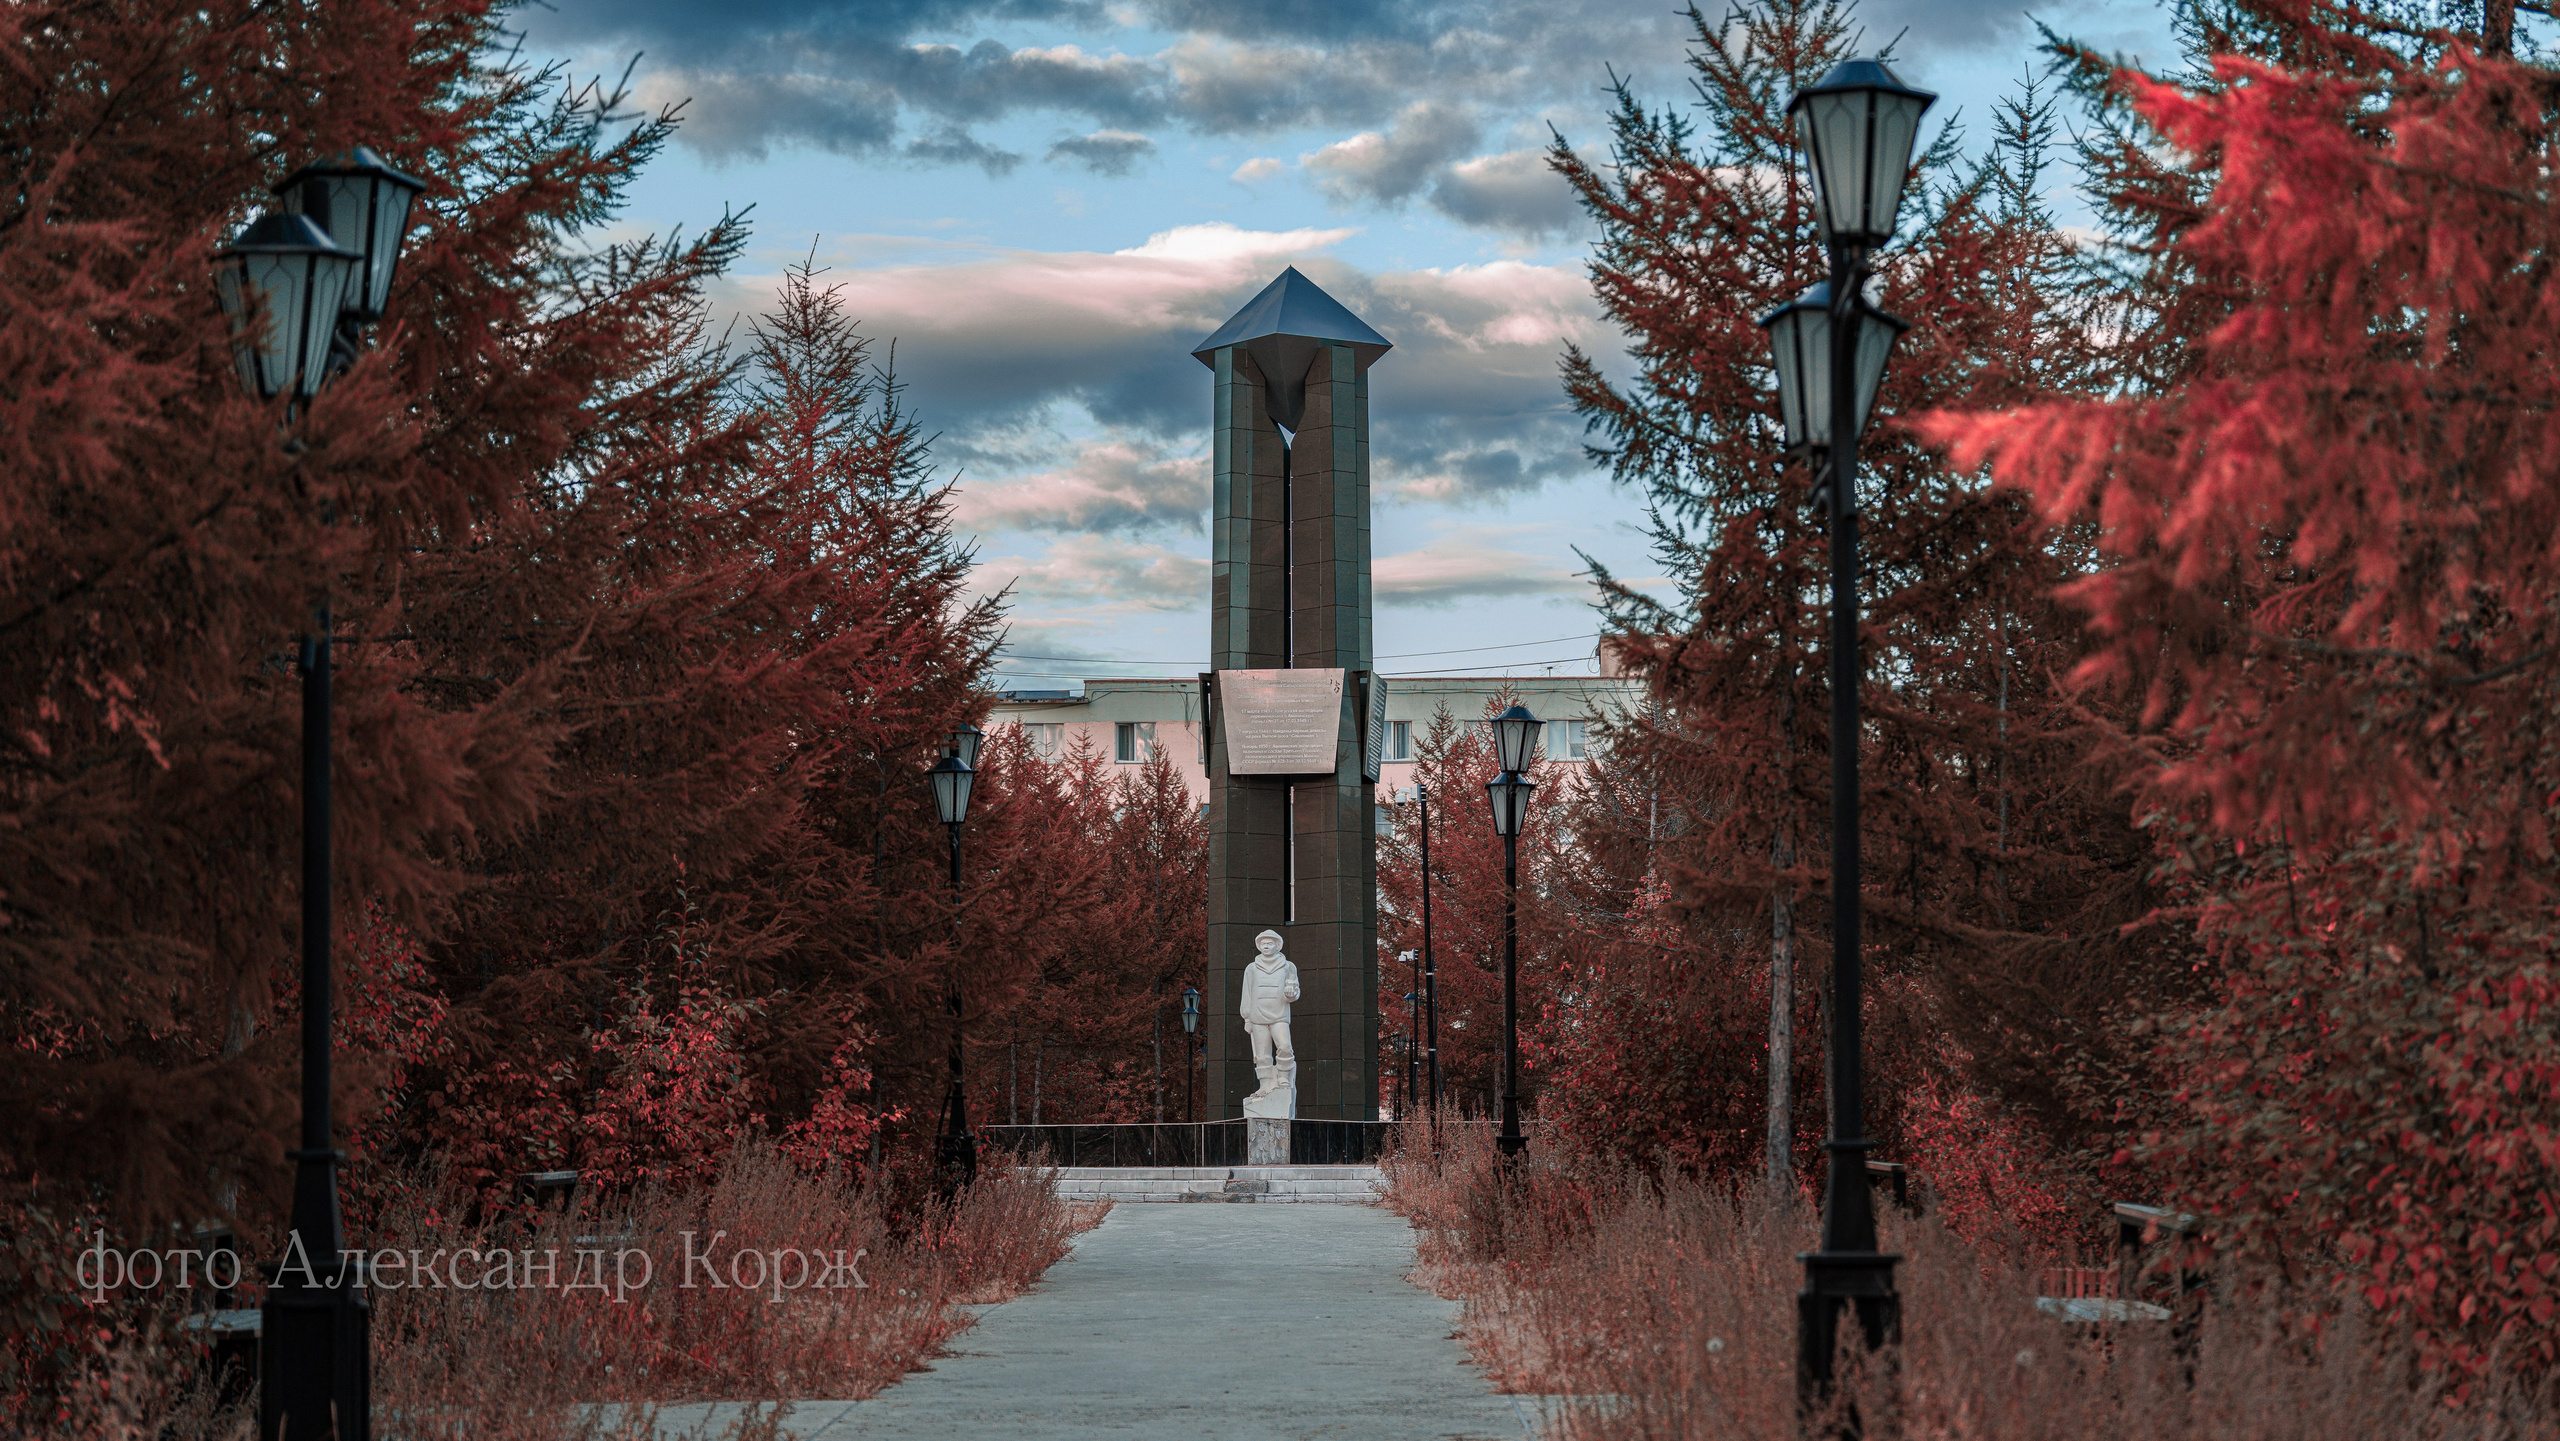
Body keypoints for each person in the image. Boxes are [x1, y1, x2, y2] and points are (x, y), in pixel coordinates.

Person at [1240, 929, 1299, 1108]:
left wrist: (1290, 993)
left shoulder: (1288, 966)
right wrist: (1247, 1018)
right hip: (1257, 1015)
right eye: (1263, 943)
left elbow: (1294, 991)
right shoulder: (1251, 968)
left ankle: (1282, 1077)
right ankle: (1265, 1084)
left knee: (1285, 1046)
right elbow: (1247, 993)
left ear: (1277, 945)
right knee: (1261, 1054)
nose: (1266, 946)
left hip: (1279, 1014)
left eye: (1270, 943)